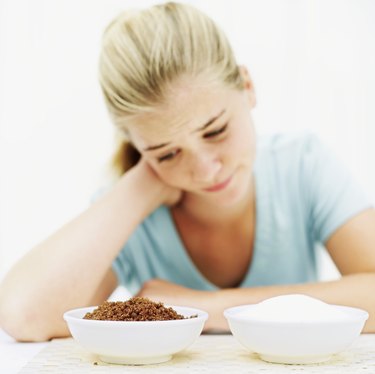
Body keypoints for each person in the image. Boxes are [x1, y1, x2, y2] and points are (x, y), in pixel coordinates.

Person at [0, 2, 375, 342]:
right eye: (167, 153)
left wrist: (209, 307)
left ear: (247, 87)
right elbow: (24, 316)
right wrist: (144, 184)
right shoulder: (131, 211)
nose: (205, 170)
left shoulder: (301, 165)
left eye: (216, 131)